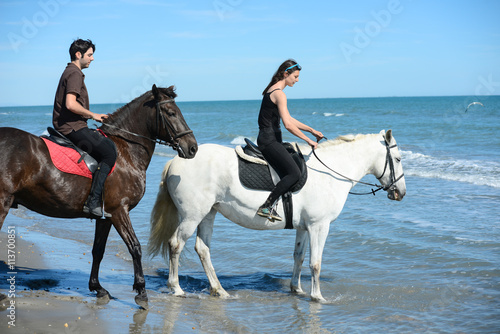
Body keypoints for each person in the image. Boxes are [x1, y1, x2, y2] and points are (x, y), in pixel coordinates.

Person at [52, 38, 117, 219]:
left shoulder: (70, 71)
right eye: (90, 55)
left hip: (70, 125)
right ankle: (93, 202)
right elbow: (71, 104)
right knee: (109, 153)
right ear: (78, 54)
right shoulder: (74, 73)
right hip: (72, 127)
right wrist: (93, 115)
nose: (92, 59)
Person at [256, 59, 324, 221]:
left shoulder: (272, 90)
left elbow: (289, 119)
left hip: (268, 138)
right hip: (269, 140)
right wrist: (309, 140)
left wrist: (312, 130)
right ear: (286, 74)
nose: (297, 80)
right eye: (295, 76)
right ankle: (267, 206)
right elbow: (288, 125)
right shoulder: (279, 93)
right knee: (294, 173)